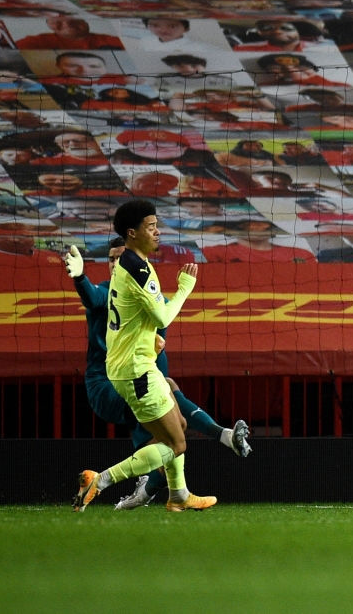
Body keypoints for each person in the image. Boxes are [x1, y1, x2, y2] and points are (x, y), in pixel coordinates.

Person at [64, 237, 251, 509]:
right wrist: (80, 277)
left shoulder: (150, 296)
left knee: (173, 409)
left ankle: (176, 493)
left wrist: (156, 353)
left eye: (121, 258)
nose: (116, 263)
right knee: (172, 438)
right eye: (111, 259)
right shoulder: (109, 292)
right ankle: (138, 482)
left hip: (130, 376)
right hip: (105, 385)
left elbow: (157, 347)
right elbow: (93, 298)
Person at [71, 199, 214, 512]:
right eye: (151, 227)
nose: (158, 232)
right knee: (175, 443)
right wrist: (185, 288)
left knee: (177, 423)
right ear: (132, 233)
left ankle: (178, 496)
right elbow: (162, 317)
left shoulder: (129, 265)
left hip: (133, 365)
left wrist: (149, 340)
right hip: (136, 371)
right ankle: (102, 480)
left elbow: (133, 319)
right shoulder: (136, 268)